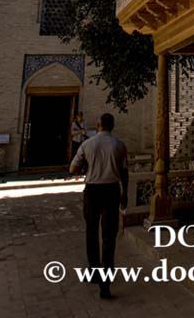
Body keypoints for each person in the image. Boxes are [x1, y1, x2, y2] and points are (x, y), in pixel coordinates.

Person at [69, 112, 128, 299]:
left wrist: (87, 167)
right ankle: (106, 283)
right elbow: (124, 172)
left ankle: (94, 271)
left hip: (93, 191)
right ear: (113, 125)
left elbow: (72, 168)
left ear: (98, 125)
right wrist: (125, 193)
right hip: (112, 191)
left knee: (92, 231)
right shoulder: (119, 145)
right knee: (109, 236)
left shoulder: (88, 144)